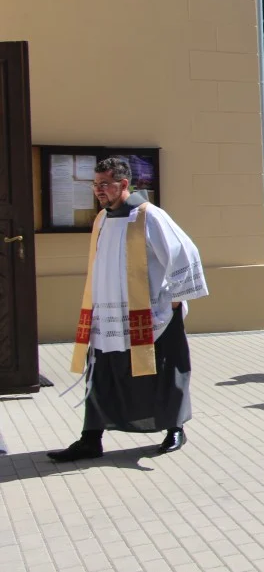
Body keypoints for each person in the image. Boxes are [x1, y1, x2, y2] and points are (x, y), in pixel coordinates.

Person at [48, 157, 209, 461]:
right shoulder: (101, 219)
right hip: (108, 317)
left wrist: (172, 304)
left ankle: (174, 428)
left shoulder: (150, 216)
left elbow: (185, 254)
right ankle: (91, 438)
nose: (98, 190)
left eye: (104, 184)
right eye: (95, 184)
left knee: (162, 372)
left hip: (150, 316)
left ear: (124, 184)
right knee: (102, 373)